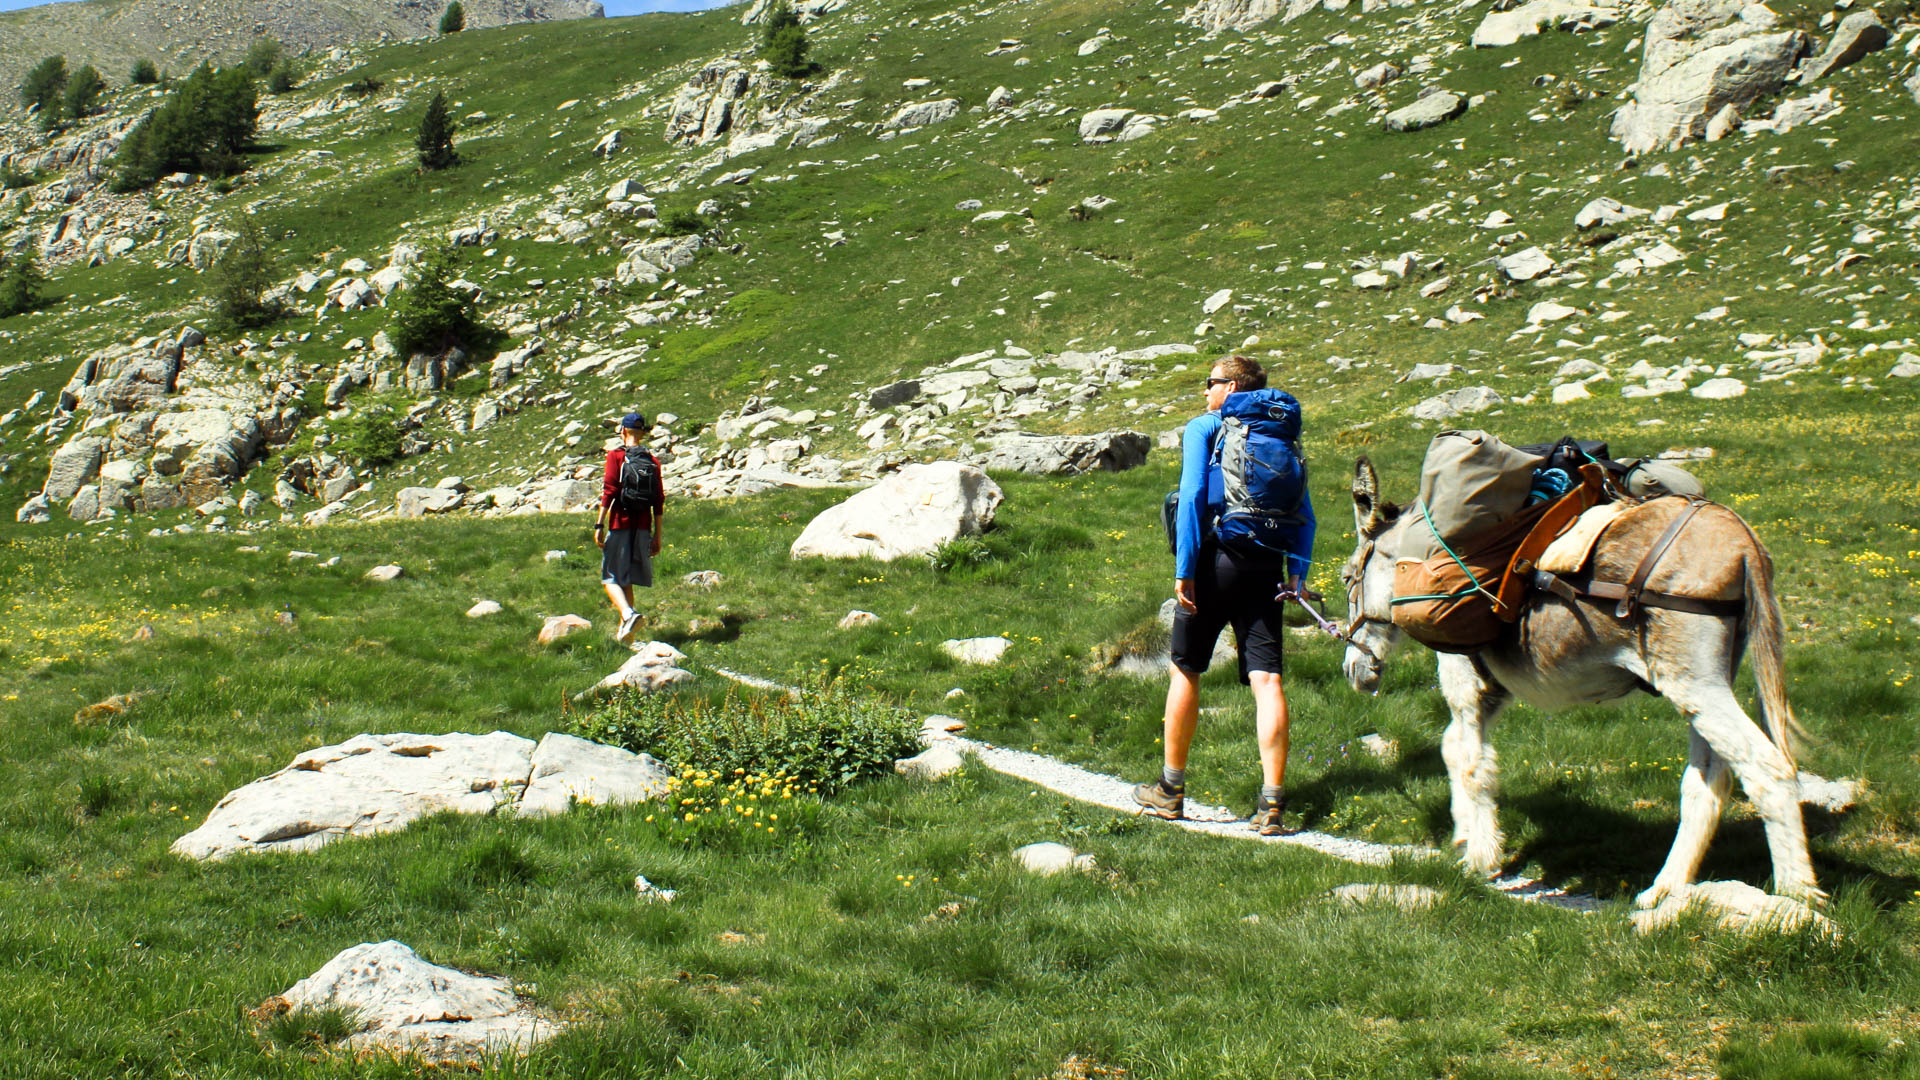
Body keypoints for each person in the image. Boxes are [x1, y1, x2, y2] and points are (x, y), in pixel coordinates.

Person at [1133, 355, 1315, 836]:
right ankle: (1272, 803)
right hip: (1267, 565)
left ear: (1231, 386)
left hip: (1216, 561)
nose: (1204, 392)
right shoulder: (1281, 434)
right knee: (1268, 679)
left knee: (1185, 669)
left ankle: (1170, 790)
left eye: (1210, 383)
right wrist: (1296, 572)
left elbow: (1192, 495)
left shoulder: (1207, 428)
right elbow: (1306, 511)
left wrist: (1184, 569)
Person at [594, 412, 664, 644]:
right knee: (627, 578)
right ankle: (625, 633)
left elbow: (610, 491)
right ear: (643, 432)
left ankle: (628, 614)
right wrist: (658, 536)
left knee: (610, 577)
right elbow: (658, 499)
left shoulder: (616, 456)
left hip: (620, 523)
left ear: (623, 431)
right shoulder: (652, 461)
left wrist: (599, 523)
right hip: (643, 527)